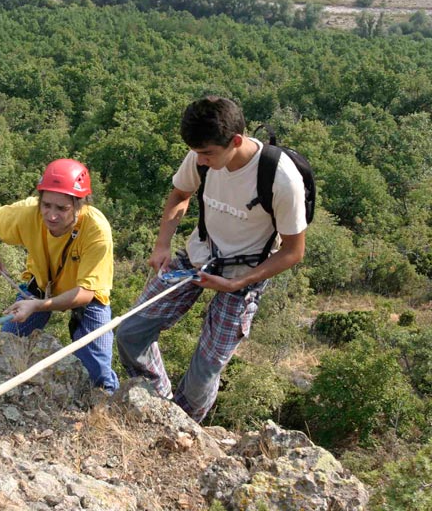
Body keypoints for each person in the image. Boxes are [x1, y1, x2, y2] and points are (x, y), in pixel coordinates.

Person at [116, 96, 307, 422]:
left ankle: (181, 427)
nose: (200, 160)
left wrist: (237, 283)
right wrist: (162, 244)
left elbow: (293, 251)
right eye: (196, 152)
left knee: (204, 373)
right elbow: (180, 194)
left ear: (236, 141)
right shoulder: (200, 156)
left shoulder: (280, 179)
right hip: (198, 256)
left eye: (207, 154)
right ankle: (158, 406)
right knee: (130, 333)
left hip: (244, 276)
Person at [0, 158, 120, 393]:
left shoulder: (96, 230)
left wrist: (37, 306)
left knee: (99, 373)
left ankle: (107, 404)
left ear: (80, 205)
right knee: (6, 346)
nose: (51, 215)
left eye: (62, 209)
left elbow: (86, 293)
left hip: (86, 296)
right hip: (41, 286)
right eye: (46, 205)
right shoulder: (29, 212)